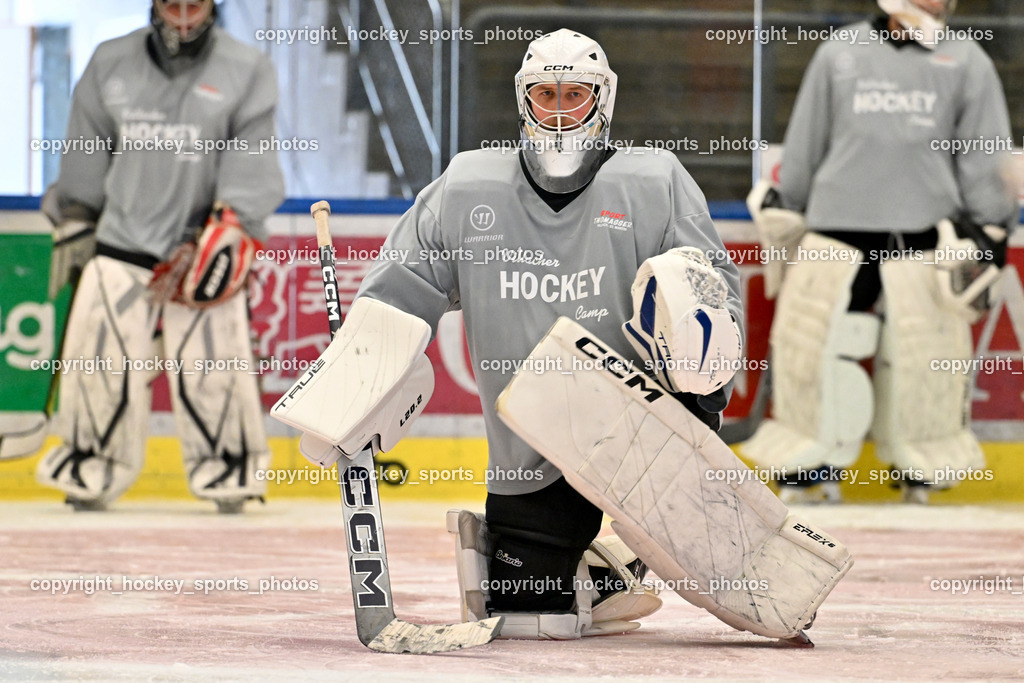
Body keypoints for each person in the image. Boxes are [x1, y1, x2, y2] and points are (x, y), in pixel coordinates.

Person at [283, 28, 745, 637]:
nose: (557, 112)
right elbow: (394, 299)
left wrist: (703, 388)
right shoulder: (469, 186)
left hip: (645, 427)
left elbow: (715, 297)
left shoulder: (653, 182)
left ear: (602, 100)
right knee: (530, 621)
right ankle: (598, 574)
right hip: (530, 451)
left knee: (685, 285)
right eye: (544, 96)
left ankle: (646, 540)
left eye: (573, 95)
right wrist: (351, 385)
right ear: (523, 102)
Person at [742, 0, 1019, 504]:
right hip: (835, 233)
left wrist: (992, 227)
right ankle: (810, 466)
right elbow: (805, 144)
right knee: (818, 351)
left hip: (922, 238)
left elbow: (984, 153)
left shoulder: (966, 60)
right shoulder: (840, 52)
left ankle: (924, 467)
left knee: (923, 356)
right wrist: (791, 205)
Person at [36, 0, 285, 512]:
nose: (185, 17)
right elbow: (85, 152)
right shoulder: (110, 61)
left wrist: (227, 230)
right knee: (98, 363)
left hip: (199, 248)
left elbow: (251, 161)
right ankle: (88, 466)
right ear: (154, 5)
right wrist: (77, 217)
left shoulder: (247, 69)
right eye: (174, 4)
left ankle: (230, 471)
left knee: (213, 367)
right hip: (119, 241)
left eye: (195, 4)